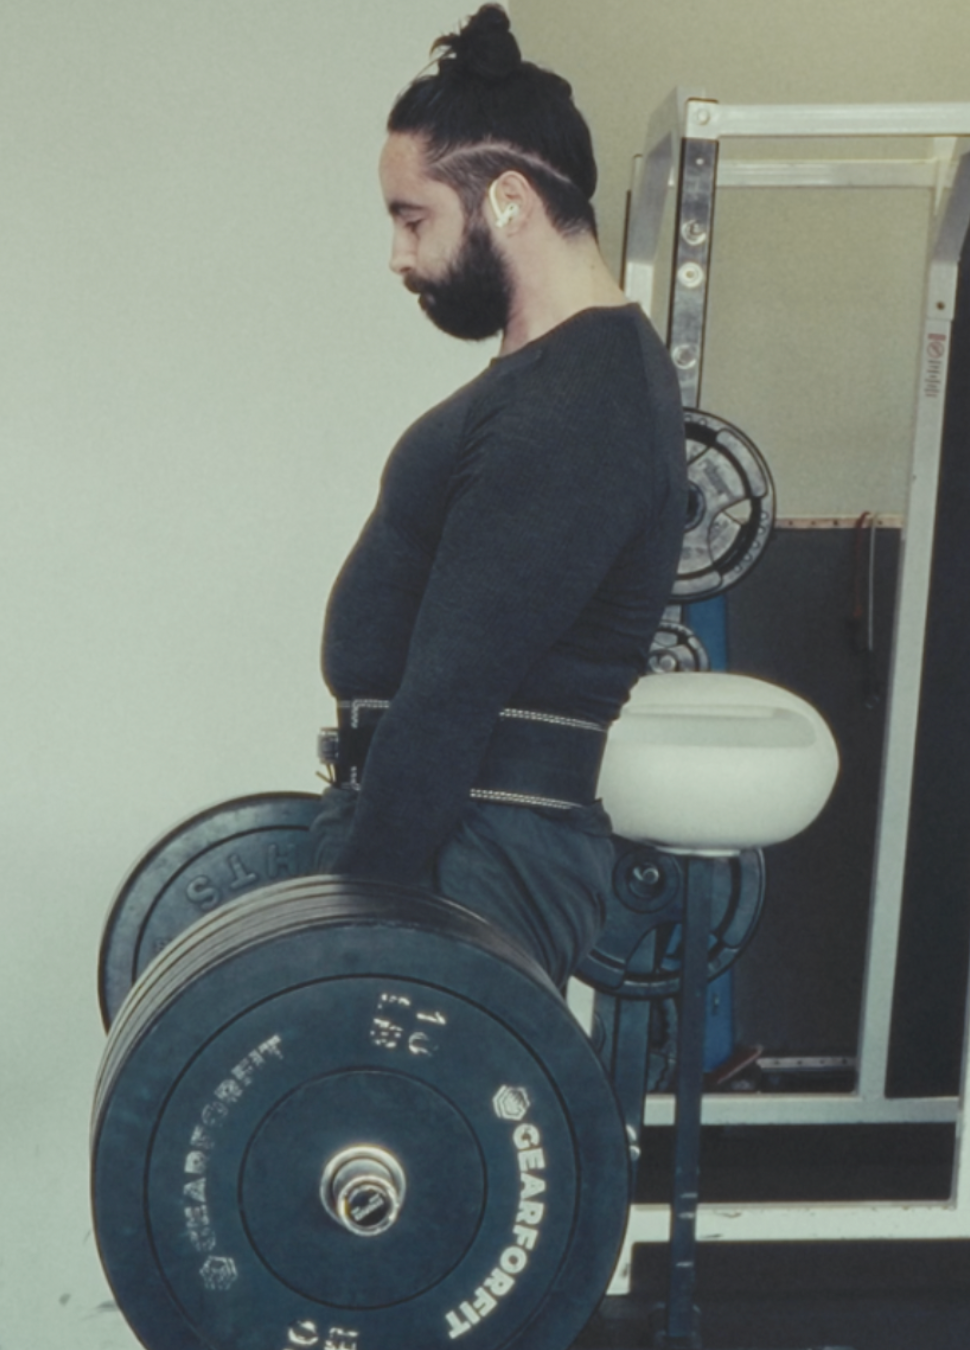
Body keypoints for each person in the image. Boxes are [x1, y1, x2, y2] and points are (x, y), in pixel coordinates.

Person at [312, 5, 687, 989]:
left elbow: (451, 692)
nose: (398, 257)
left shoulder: (579, 400)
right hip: (458, 836)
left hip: (478, 851)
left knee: (405, 1134)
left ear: (509, 200)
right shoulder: (559, 376)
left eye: (413, 217)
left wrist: (348, 923)